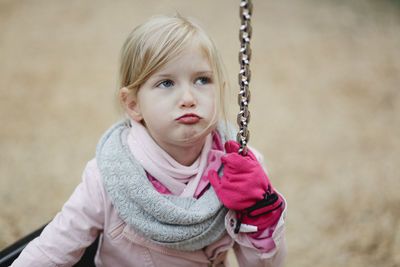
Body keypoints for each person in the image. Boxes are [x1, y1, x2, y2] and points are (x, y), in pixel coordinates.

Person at [11, 14, 287, 267]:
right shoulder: (110, 175)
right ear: (133, 105)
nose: (189, 98)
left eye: (202, 80)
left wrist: (261, 214)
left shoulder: (242, 170)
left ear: (222, 90)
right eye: (166, 83)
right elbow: (54, 249)